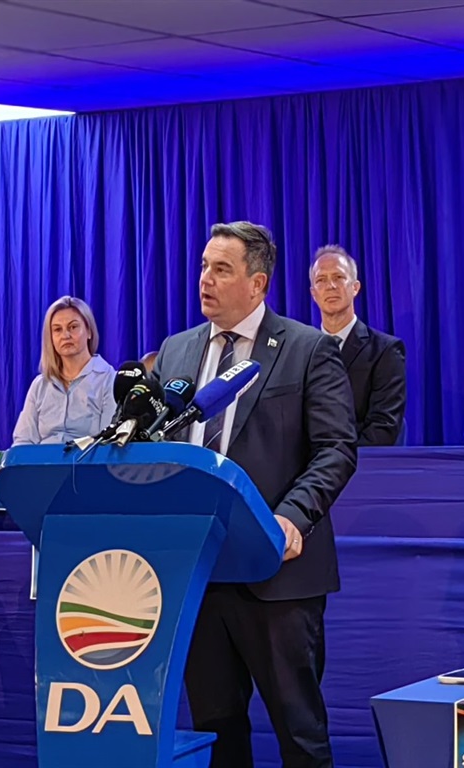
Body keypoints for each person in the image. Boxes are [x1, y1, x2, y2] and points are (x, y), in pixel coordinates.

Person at [153, 222, 357, 768]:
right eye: (203, 266)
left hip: (279, 574)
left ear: (258, 282)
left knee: (300, 735)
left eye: (221, 269)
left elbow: (336, 449)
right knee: (217, 733)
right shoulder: (175, 353)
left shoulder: (306, 350)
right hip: (198, 573)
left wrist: (291, 518)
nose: (205, 279)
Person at [310, 245, 406, 446]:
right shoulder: (301, 350)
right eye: (321, 280)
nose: (331, 286)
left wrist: (337, 462)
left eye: (338, 277)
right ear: (314, 293)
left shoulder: (386, 351)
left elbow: (384, 427)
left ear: (355, 287)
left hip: (360, 464)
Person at [13, 296, 116, 445]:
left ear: (89, 332)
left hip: (85, 465)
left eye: (73, 327)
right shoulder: (39, 385)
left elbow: (108, 443)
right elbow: (23, 442)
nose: (65, 335)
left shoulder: (109, 380)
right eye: (57, 330)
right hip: (42, 465)